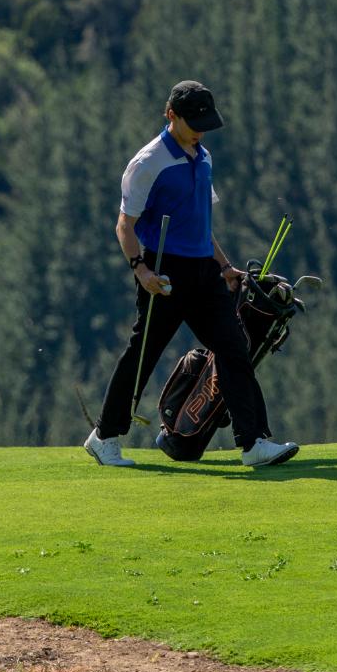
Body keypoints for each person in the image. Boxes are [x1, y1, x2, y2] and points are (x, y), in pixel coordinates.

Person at [84, 81, 300, 469]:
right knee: (142, 355)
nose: (201, 131)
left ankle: (252, 442)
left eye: (206, 123)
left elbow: (201, 224)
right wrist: (141, 270)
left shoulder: (204, 158)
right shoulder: (148, 162)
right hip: (164, 272)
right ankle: (104, 437)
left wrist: (225, 266)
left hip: (204, 272)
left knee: (234, 347)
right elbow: (124, 225)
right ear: (171, 115)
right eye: (194, 123)